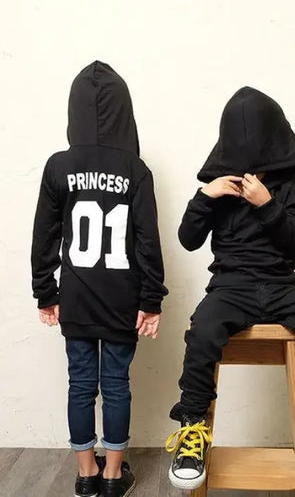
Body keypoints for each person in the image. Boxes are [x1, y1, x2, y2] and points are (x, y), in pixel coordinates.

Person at [165, 86, 295, 490]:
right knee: (202, 331)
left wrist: (266, 203)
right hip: (230, 290)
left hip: (280, 289)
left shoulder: (285, 184)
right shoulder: (218, 186)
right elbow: (188, 239)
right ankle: (192, 431)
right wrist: (205, 196)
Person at [31, 61, 168, 497]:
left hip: (76, 296)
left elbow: (44, 236)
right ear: (125, 112)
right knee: (116, 385)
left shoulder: (58, 167)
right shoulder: (135, 169)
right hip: (122, 299)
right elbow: (148, 241)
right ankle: (112, 476)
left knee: (80, 385)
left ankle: (85, 474)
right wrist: (151, 299)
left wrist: (45, 292)